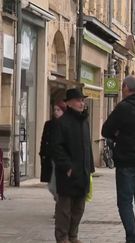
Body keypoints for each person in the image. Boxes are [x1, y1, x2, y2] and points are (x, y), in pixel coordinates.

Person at [102, 75, 135, 243]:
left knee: (125, 202)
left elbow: (106, 130)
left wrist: (119, 135)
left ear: (126, 87)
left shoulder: (124, 107)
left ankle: (132, 238)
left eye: (122, 87)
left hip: (128, 162)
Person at [52, 88, 95, 243]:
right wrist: (67, 167)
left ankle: (73, 236)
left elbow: (87, 146)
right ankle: (62, 238)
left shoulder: (84, 122)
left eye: (83, 100)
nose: (81, 103)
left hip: (83, 172)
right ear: (68, 103)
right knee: (64, 210)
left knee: (79, 208)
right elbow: (57, 148)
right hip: (68, 174)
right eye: (78, 100)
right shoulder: (62, 123)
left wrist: (90, 168)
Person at [40, 100, 67, 201]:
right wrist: (42, 154)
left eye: (58, 110)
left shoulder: (66, 124)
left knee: (56, 185)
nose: (55, 112)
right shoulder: (49, 124)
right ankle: (58, 201)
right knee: (51, 185)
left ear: (64, 111)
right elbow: (43, 140)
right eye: (54, 109)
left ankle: (59, 205)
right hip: (50, 157)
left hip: (60, 158)